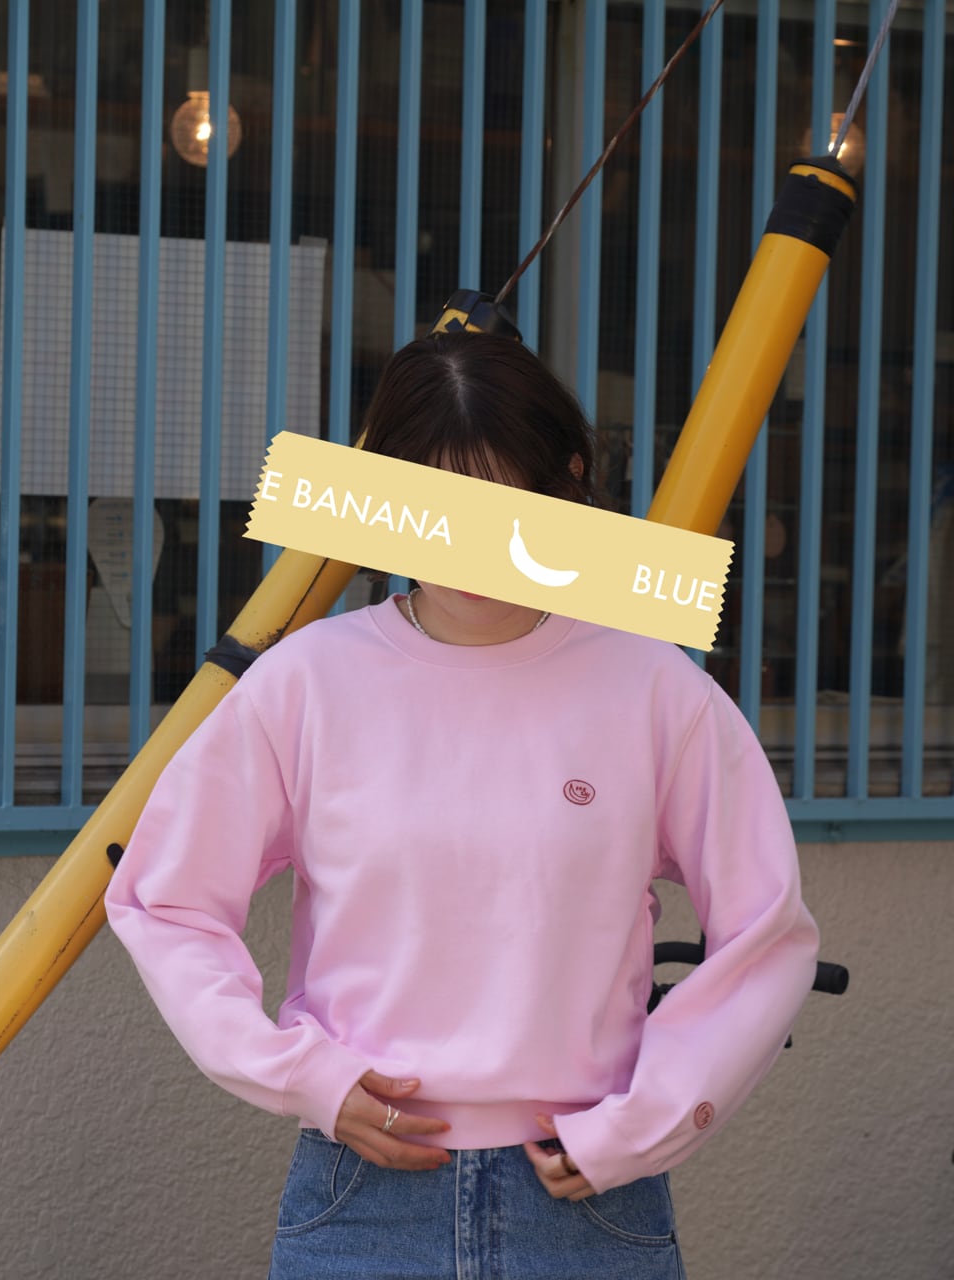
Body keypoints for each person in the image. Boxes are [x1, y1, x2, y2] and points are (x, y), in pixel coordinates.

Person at [106, 330, 819, 1279]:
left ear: (566, 485)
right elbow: (166, 900)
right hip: (360, 1203)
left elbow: (769, 931)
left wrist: (644, 1124)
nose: (472, 547)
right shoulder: (307, 682)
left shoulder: (655, 690)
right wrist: (300, 1075)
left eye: (506, 504)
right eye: (436, 508)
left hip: (590, 1208)